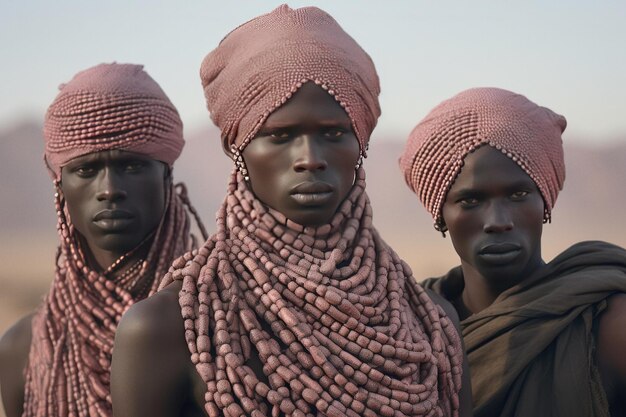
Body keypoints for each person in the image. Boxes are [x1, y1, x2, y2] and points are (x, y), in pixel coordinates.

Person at [111, 5, 472, 417]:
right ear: (239, 149)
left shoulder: (431, 326)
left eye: (333, 133)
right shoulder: (168, 328)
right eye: (280, 135)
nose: (309, 158)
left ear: (360, 146)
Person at [399, 86, 626, 417]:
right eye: (470, 200)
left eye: (518, 194)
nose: (498, 221)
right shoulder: (408, 330)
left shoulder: (606, 323)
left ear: (545, 201)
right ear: (440, 216)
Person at [0, 63, 206, 417]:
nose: (110, 190)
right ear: (60, 185)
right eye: (86, 170)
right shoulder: (24, 350)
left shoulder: (217, 322)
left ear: (166, 177)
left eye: (131, 166)